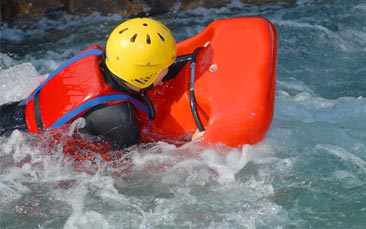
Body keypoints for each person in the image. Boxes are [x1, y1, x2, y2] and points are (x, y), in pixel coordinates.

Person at [0, 17, 180, 151]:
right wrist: (188, 144)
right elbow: (135, 164)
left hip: (11, 113)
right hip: (19, 146)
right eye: (165, 66)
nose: (169, 68)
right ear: (146, 74)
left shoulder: (98, 60)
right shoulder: (121, 118)